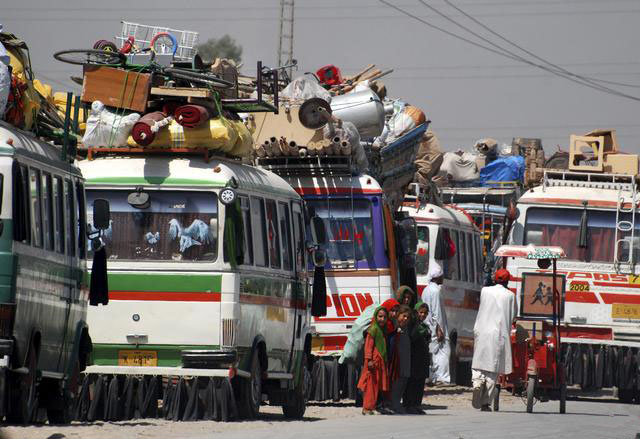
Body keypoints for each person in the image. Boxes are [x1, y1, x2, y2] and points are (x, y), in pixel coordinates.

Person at [471, 268, 517, 412]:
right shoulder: (510, 295)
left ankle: (477, 382)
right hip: (498, 334)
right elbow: (514, 314)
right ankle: (485, 403)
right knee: (493, 369)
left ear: (495, 279)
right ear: (507, 281)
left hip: (482, 330)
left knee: (478, 362)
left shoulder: (485, 290)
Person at [421, 262, 451, 384]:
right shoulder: (436, 291)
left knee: (433, 352)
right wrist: (439, 329)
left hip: (429, 325)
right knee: (443, 351)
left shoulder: (426, 290)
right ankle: (441, 378)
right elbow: (437, 312)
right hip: (436, 327)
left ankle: (433, 376)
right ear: (437, 277)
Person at [357, 306, 390, 415]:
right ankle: (367, 408)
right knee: (371, 385)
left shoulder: (382, 330)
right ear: (376, 317)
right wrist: (369, 360)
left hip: (379, 363)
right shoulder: (373, 329)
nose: (382, 319)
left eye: (385, 317)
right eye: (380, 316)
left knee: (377, 386)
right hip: (373, 362)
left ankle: (372, 406)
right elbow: (368, 347)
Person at [403, 301, 431, 414]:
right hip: (413, 358)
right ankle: (409, 404)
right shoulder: (412, 324)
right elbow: (412, 337)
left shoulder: (424, 325)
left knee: (420, 383)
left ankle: (416, 404)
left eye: (425, 313)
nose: (423, 315)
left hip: (422, 359)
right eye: (421, 312)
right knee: (412, 383)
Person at [388, 304, 412, 414]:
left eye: (408, 317)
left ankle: (397, 404)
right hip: (397, 361)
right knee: (396, 383)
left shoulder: (406, 328)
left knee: (403, 382)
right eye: (403, 316)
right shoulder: (394, 327)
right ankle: (394, 404)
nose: (405, 319)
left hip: (405, 360)